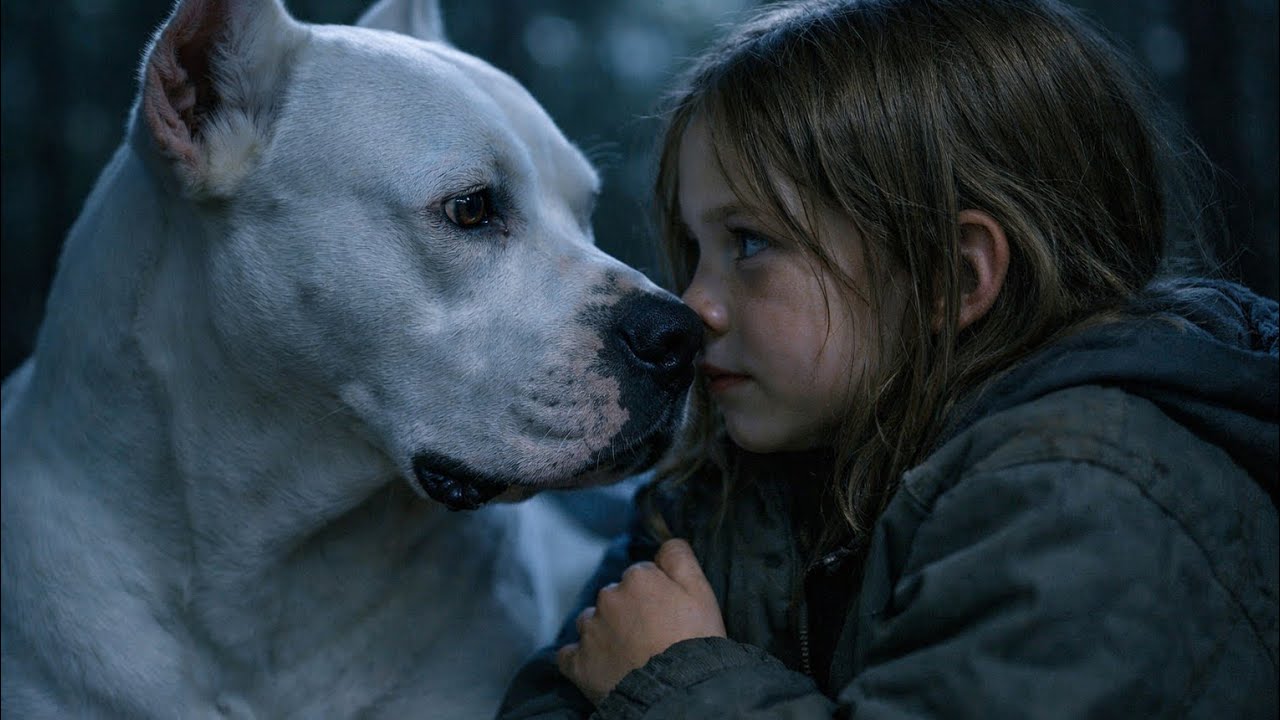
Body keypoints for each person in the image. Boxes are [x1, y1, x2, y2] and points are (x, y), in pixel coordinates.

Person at [497, 0, 1279, 717]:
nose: (695, 303)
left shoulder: (1089, 497)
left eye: (750, 243)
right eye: (694, 248)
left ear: (950, 276)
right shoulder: (721, 489)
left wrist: (675, 677)